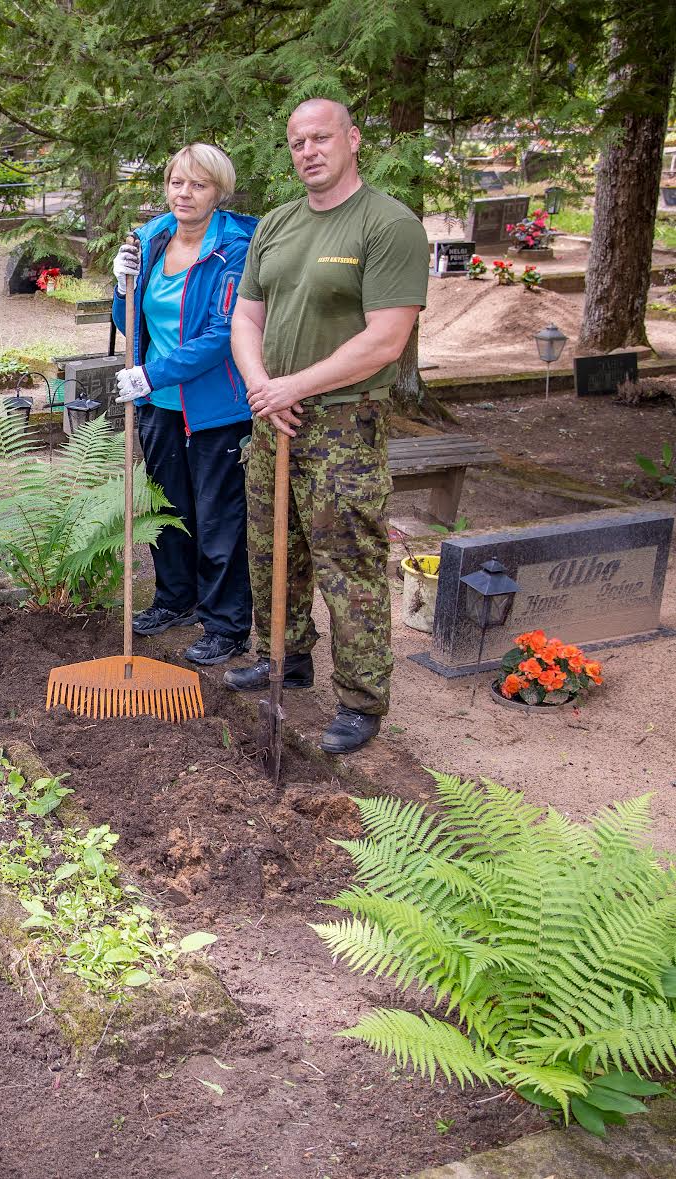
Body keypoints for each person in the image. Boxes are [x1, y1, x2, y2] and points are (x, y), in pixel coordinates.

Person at [225, 98, 429, 754]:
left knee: (349, 562)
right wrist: (262, 386)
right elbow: (246, 318)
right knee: (270, 549)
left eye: (320, 137)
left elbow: (386, 341)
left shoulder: (388, 225)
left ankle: (362, 700)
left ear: (352, 140)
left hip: (342, 427)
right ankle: (282, 656)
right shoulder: (277, 225)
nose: (308, 150)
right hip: (271, 422)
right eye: (296, 142)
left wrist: (296, 385)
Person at [109, 143, 257, 667]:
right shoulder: (151, 238)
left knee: (218, 518)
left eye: (198, 184)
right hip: (159, 404)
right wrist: (122, 283)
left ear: (219, 191)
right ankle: (176, 599)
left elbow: (224, 334)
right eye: (177, 182)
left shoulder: (235, 248)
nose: (184, 193)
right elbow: (132, 324)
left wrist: (151, 374)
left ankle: (227, 624)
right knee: (168, 510)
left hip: (217, 406)